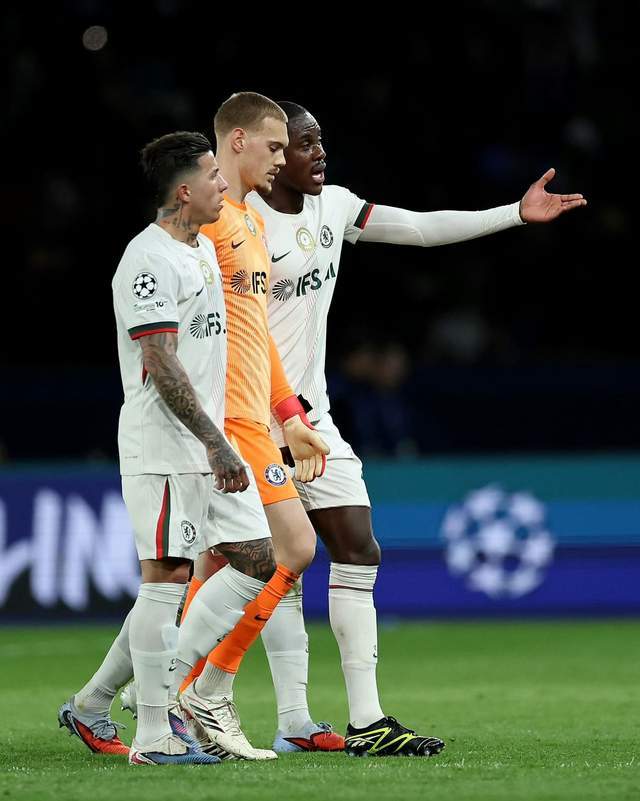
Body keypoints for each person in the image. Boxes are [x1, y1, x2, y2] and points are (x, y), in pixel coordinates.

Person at [247, 101, 587, 757]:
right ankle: (256, 710)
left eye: (322, 140)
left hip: (313, 417)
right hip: (255, 419)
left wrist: (513, 214)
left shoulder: (334, 207)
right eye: (305, 143)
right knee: (266, 566)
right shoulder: (240, 223)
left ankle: (366, 721)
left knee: (356, 546)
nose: (320, 152)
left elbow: (421, 228)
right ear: (273, 153)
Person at [58, 130, 287, 765]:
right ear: (184, 191)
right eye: (213, 175)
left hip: (207, 446)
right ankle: (156, 734)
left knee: (257, 558)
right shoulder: (146, 261)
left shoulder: (202, 250)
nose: (223, 183)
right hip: (164, 447)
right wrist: (217, 443)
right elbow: (159, 362)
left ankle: (97, 701)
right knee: (166, 577)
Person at [155, 93, 342, 756]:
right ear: (237, 141)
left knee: (216, 567)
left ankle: (142, 698)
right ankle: (196, 690)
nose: (283, 160)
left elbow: (256, 333)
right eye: (274, 146)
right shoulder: (204, 227)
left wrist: (291, 415)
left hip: (254, 418)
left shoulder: (249, 224)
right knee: (290, 548)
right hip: (225, 420)